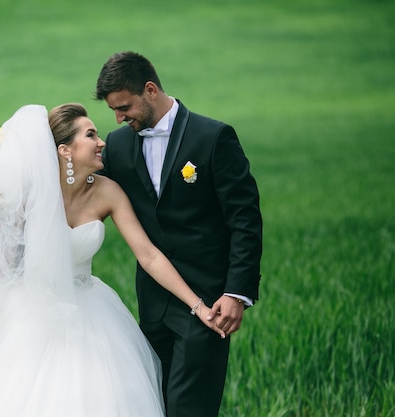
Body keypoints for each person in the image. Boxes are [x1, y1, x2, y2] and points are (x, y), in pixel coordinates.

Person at [0, 104, 224, 417]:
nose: (101, 142)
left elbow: (149, 255)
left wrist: (197, 305)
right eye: (90, 135)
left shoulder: (107, 191)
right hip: (29, 313)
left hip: (89, 311)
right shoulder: (25, 195)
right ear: (65, 150)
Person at [94, 51, 263, 417]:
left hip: (209, 301)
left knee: (191, 409)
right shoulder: (119, 145)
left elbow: (244, 218)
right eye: (114, 112)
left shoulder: (213, 137)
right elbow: (81, 193)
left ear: (150, 90)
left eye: (124, 107)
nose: (119, 118)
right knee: (153, 406)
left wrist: (237, 292)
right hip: (152, 304)